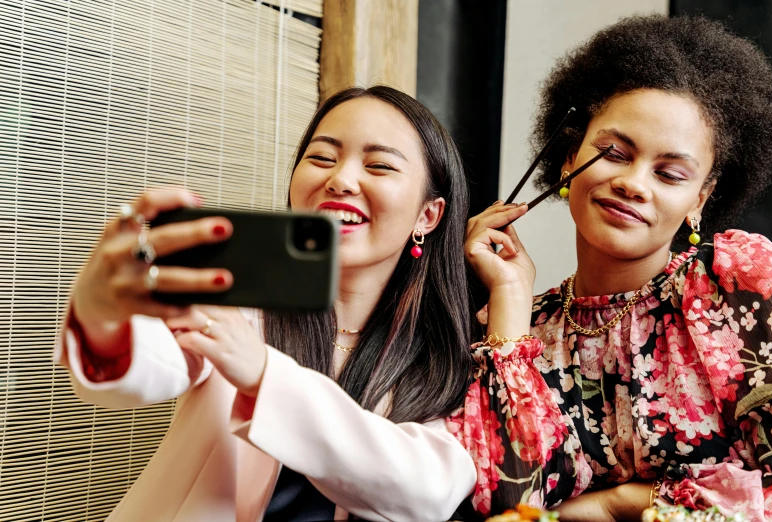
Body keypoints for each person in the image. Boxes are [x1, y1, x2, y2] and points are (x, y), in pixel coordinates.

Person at [55, 86, 478, 522]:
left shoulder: (446, 362)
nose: (341, 180)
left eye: (379, 165)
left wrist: (263, 374)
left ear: (428, 215)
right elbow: (149, 363)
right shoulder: (234, 303)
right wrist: (102, 316)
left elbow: (426, 491)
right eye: (321, 158)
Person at [450, 15, 772, 522]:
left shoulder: (739, 286)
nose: (634, 183)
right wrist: (511, 300)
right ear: (569, 159)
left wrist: (620, 503)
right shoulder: (518, 331)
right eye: (613, 153)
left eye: (669, 173)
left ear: (701, 197)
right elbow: (508, 508)